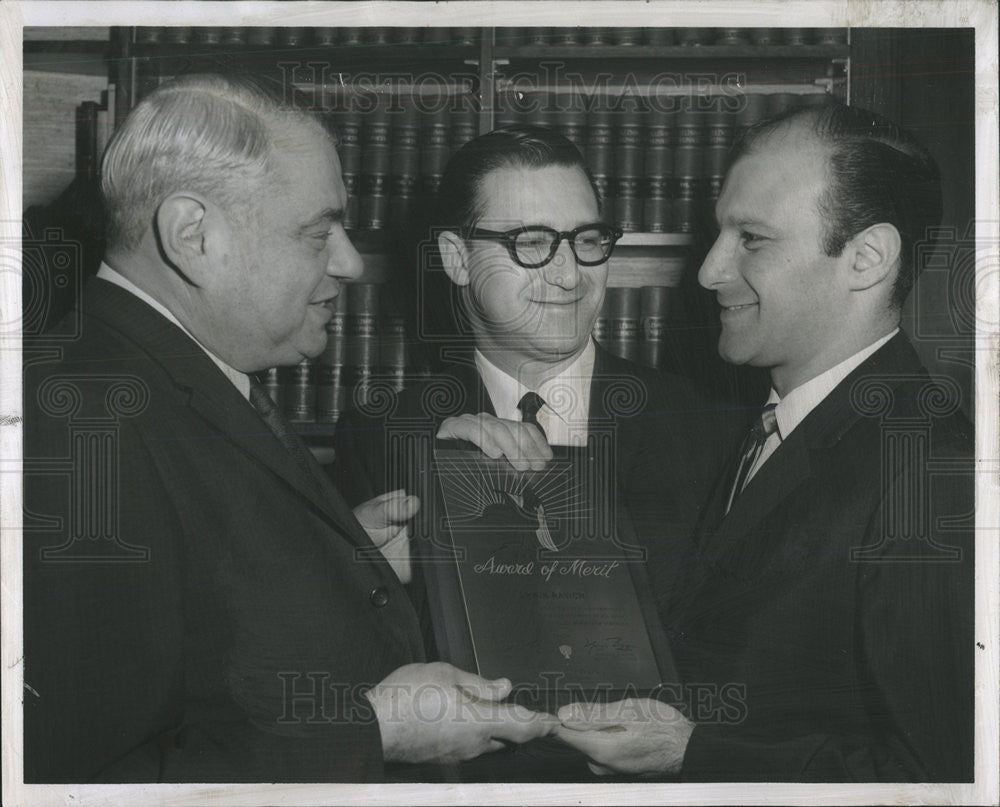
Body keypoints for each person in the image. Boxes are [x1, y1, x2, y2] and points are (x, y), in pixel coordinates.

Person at [22, 74, 555, 783]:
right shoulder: (78, 425)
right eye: (317, 232)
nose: (350, 261)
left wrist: (339, 559)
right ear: (193, 236)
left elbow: (201, 607)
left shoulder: (170, 373)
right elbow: (82, 782)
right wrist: (374, 731)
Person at [553, 103, 975, 782]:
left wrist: (690, 754)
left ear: (866, 258)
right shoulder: (765, 428)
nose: (709, 270)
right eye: (720, 232)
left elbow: (945, 780)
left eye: (751, 238)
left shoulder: (928, 469)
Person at [332, 125, 736, 621]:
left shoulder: (711, 426)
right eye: (531, 242)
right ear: (457, 259)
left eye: (587, 239)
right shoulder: (381, 437)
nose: (570, 275)